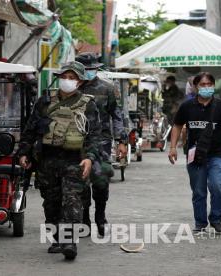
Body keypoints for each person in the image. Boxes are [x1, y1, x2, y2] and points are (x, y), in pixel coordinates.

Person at [17, 61, 101, 260]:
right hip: (48, 159)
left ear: (80, 82)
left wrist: (89, 158)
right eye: (65, 77)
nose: (67, 81)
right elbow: (31, 128)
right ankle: (57, 238)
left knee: (72, 200)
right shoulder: (45, 101)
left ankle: (69, 241)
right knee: (51, 202)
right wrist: (24, 153)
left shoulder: (88, 104)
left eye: (72, 78)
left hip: (75, 160)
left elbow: (95, 135)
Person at [168, 72, 221, 233]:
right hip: (195, 156)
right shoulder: (187, 106)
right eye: (203, 85)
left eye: (209, 84)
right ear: (196, 87)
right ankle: (200, 223)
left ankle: (216, 219)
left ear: (213, 86)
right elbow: (177, 126)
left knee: (217, 186)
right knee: (199, 191)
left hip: (217, 155)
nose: (206, 87)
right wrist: (173, 147)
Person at [75, 53, 127, 236]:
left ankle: (100, 215)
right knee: (80, 182)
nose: (90, 72)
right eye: (87, 69)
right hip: (76, 143)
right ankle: (84, 219)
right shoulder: (72, 88)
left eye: (93, 68)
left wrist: (122, 140)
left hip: (102, 143)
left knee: (101, 180)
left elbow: (117, 114)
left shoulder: (107, 88)